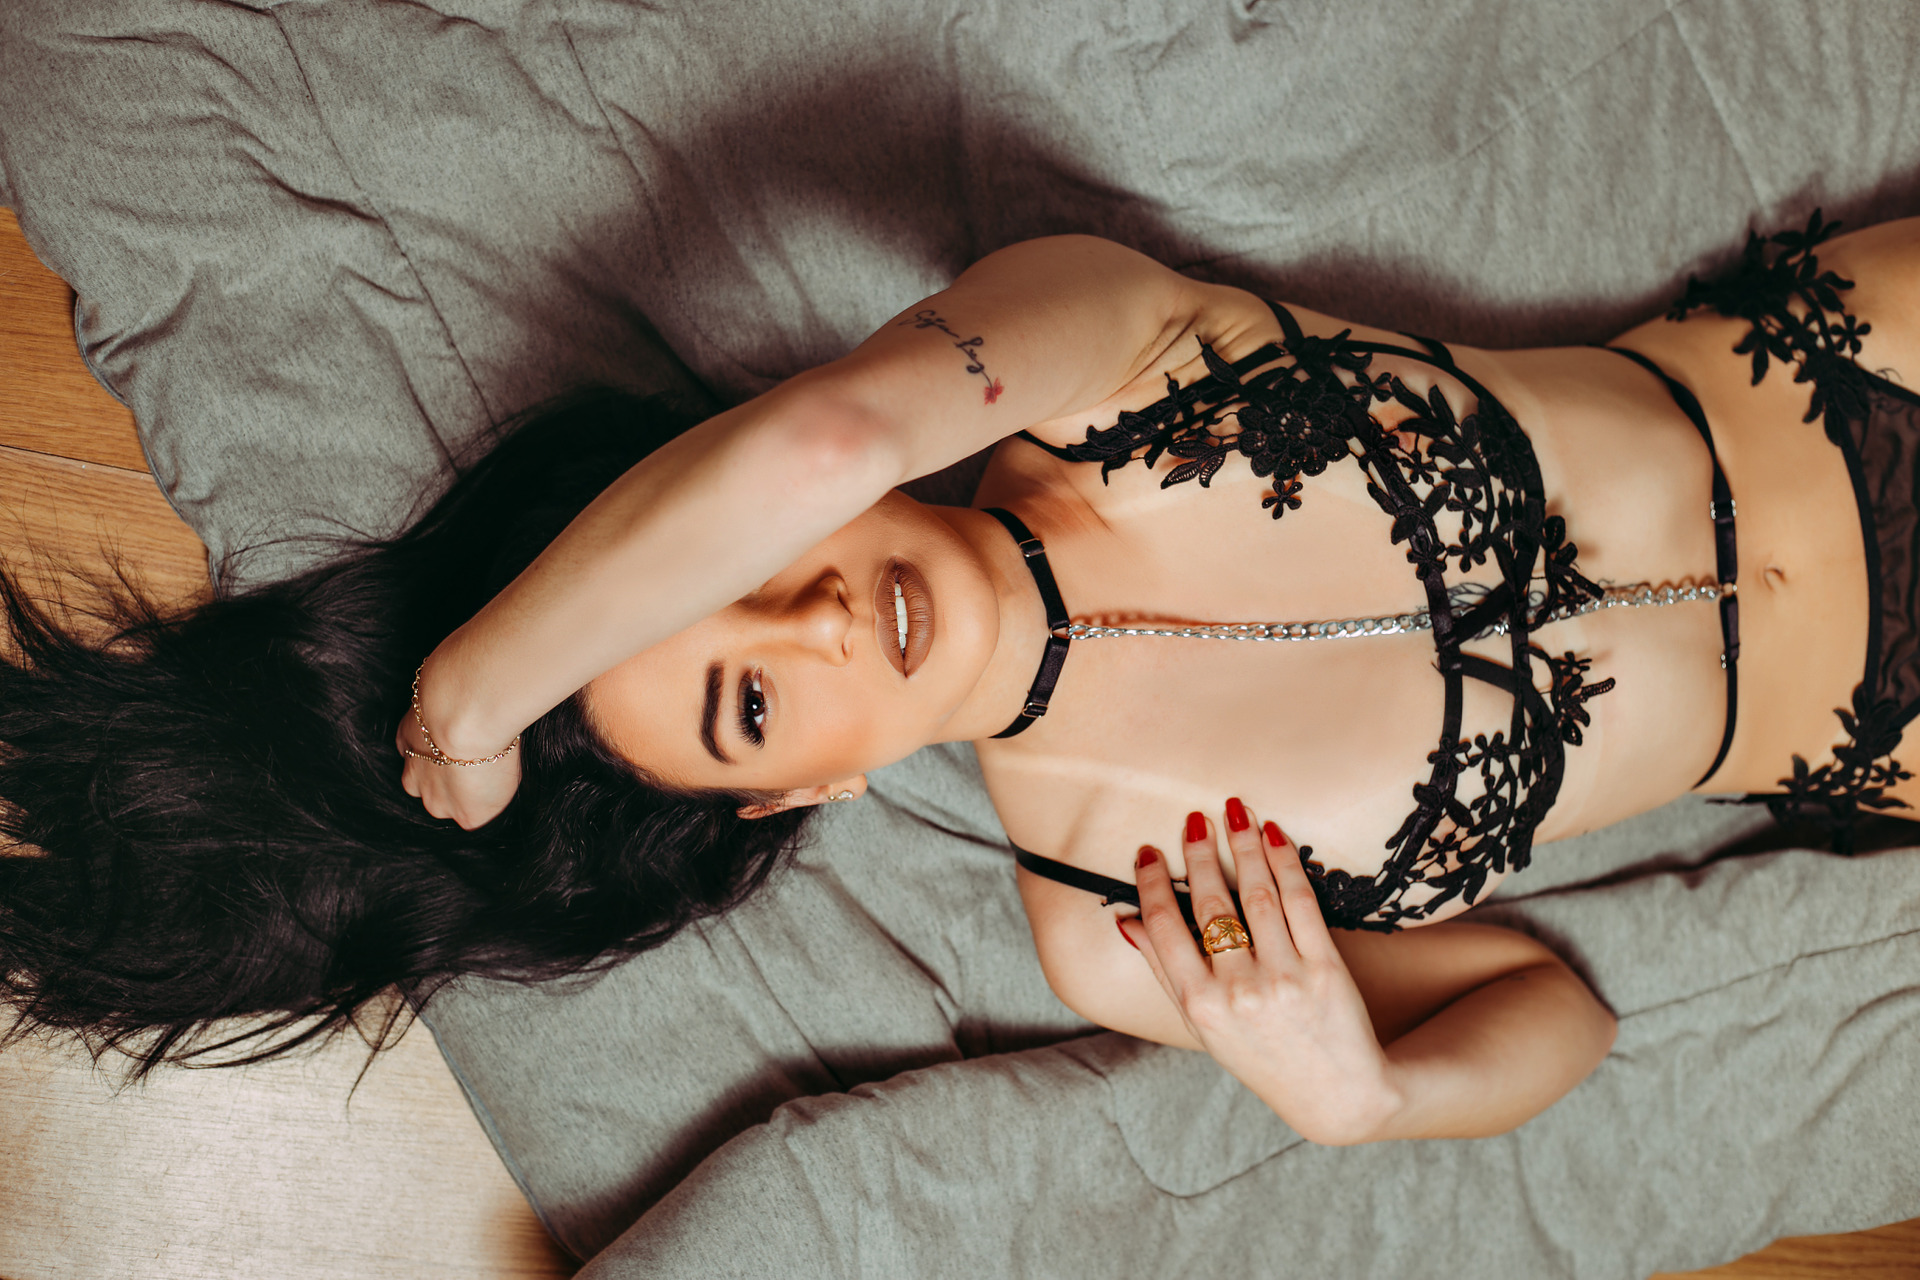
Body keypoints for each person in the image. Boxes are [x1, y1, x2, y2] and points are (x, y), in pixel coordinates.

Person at [6, 214, 1914, 1142]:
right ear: (798, 792)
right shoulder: (1116, 915)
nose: (820, 620)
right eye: (755, 704)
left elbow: (836, 435)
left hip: (1859, 367)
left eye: (742, 571)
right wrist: (1362, 1094)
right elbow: (1551, 1010)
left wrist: (476, 693)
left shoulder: (1101, 352)